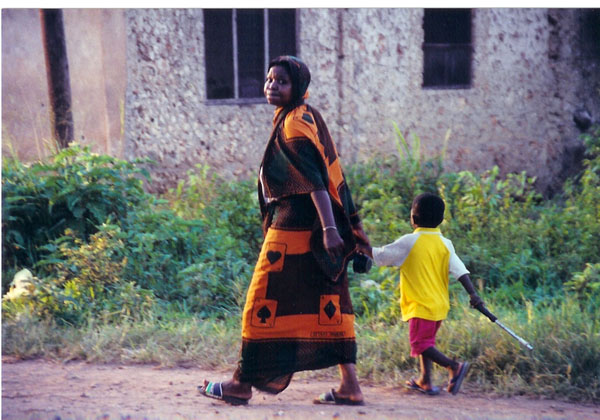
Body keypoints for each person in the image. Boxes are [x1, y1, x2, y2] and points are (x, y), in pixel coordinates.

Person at [199, 56, 370, 406]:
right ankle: (350, 385)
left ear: (299, 87)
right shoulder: (304, 116)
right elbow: (332, 176)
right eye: (269, 80)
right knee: (330, 301)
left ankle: (241, 383)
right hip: (318, 232)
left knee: (262, 300)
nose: (272, 86)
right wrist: (341, 226)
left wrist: (328, 229)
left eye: (282, 81)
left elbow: (316, 182)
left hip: (294, 233)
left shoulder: (294, 125)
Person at [358, 192, 483, 396]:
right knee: (427, 343)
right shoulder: (445, 243)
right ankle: (425, 380)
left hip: (420, 305)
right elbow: (460, 271)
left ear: (413, 219)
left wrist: (362, 248)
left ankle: (454, 367)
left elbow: (381, 255)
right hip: (439, 306)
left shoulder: (410, 241)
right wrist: (474, 295)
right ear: (441, 220)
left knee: (420, 343)